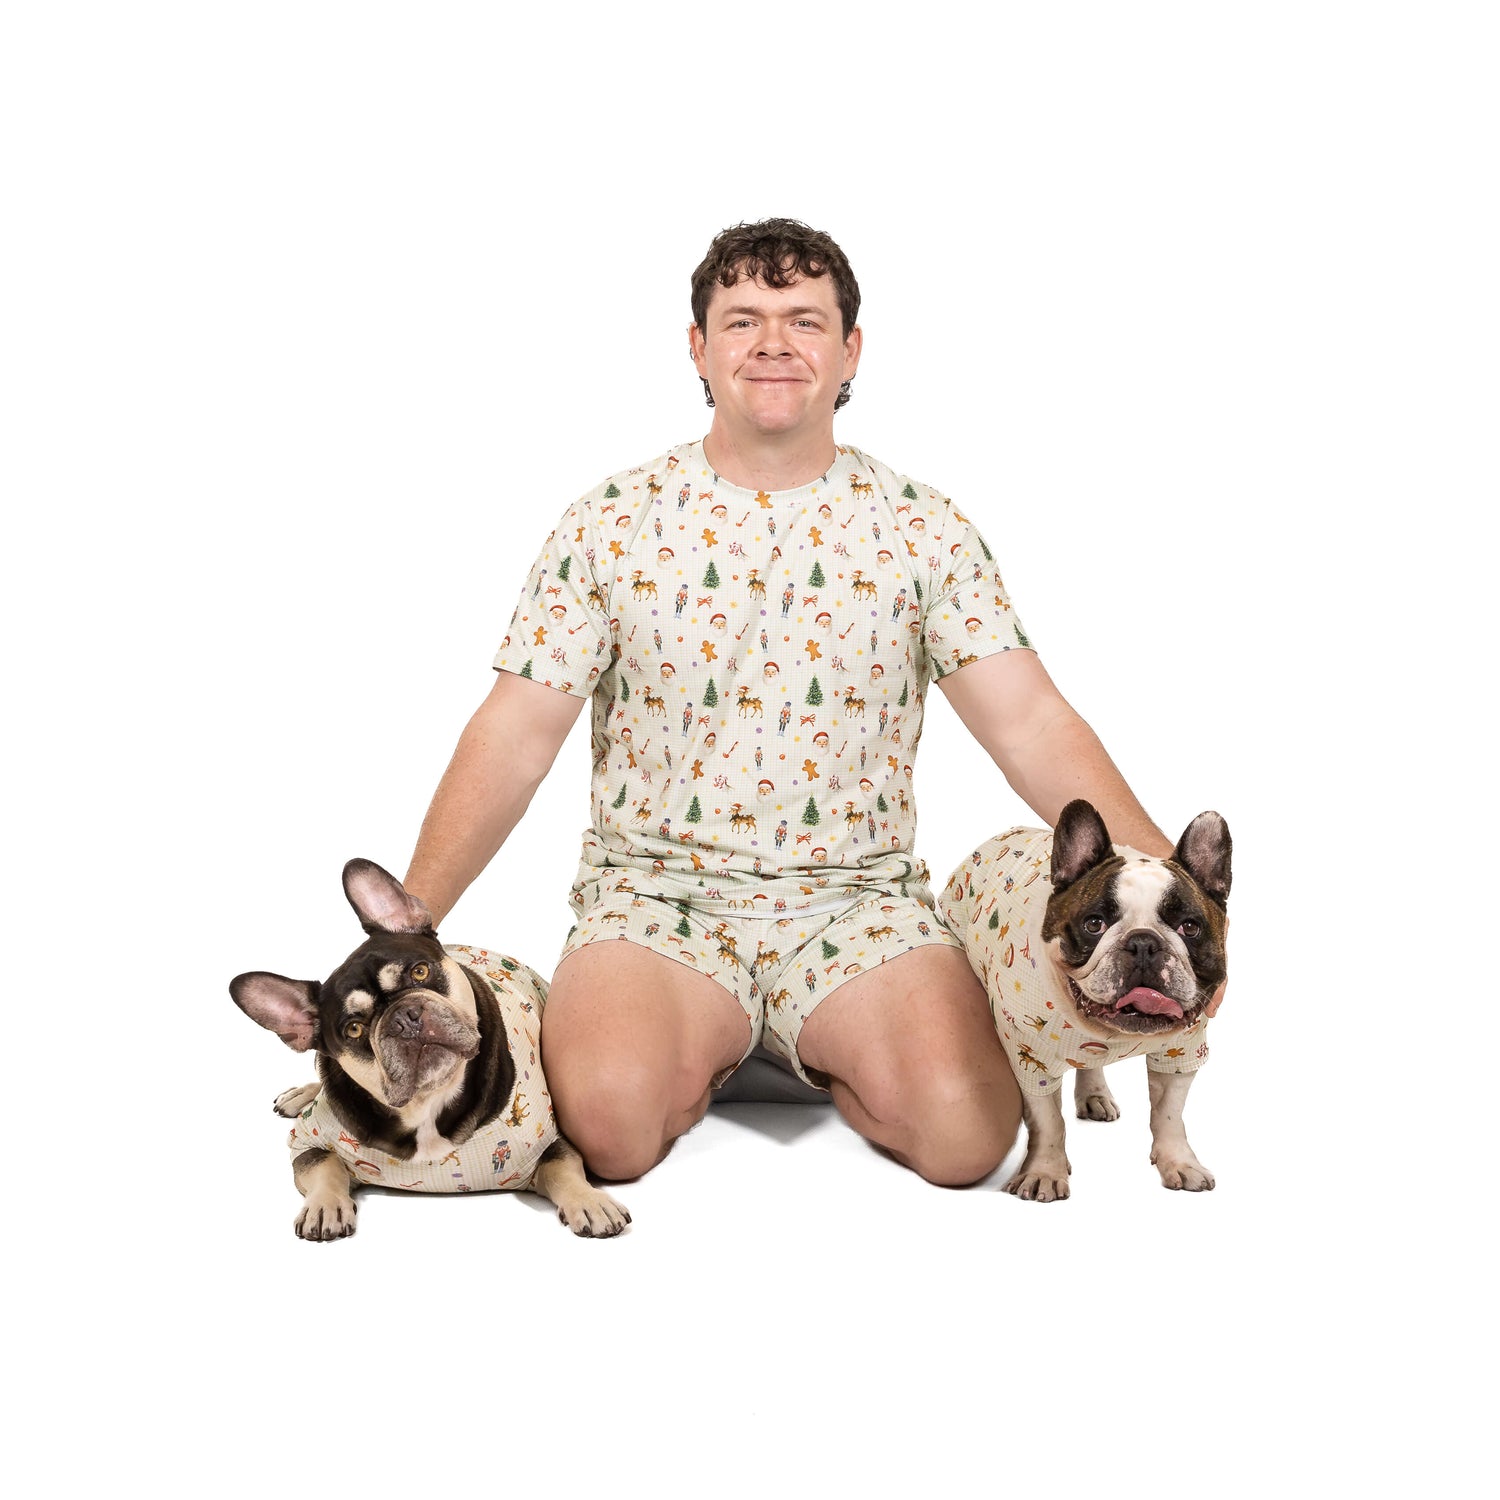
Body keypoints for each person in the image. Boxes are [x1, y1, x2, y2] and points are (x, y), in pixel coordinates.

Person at [405, 218, 1208, 1188]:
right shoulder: (608, 523)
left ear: (850, 350)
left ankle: (812, 1044)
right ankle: (699, 1043)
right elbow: (514, 734)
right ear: (698, 347)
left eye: (804, 321)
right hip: (658, 902)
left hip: (856, 906)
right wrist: (411, 920)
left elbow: (1032, 724)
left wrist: (1179, 892)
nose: (773, 344)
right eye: (743, 320)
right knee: (607, 1130)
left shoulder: (923, 528)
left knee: (968, 1140)